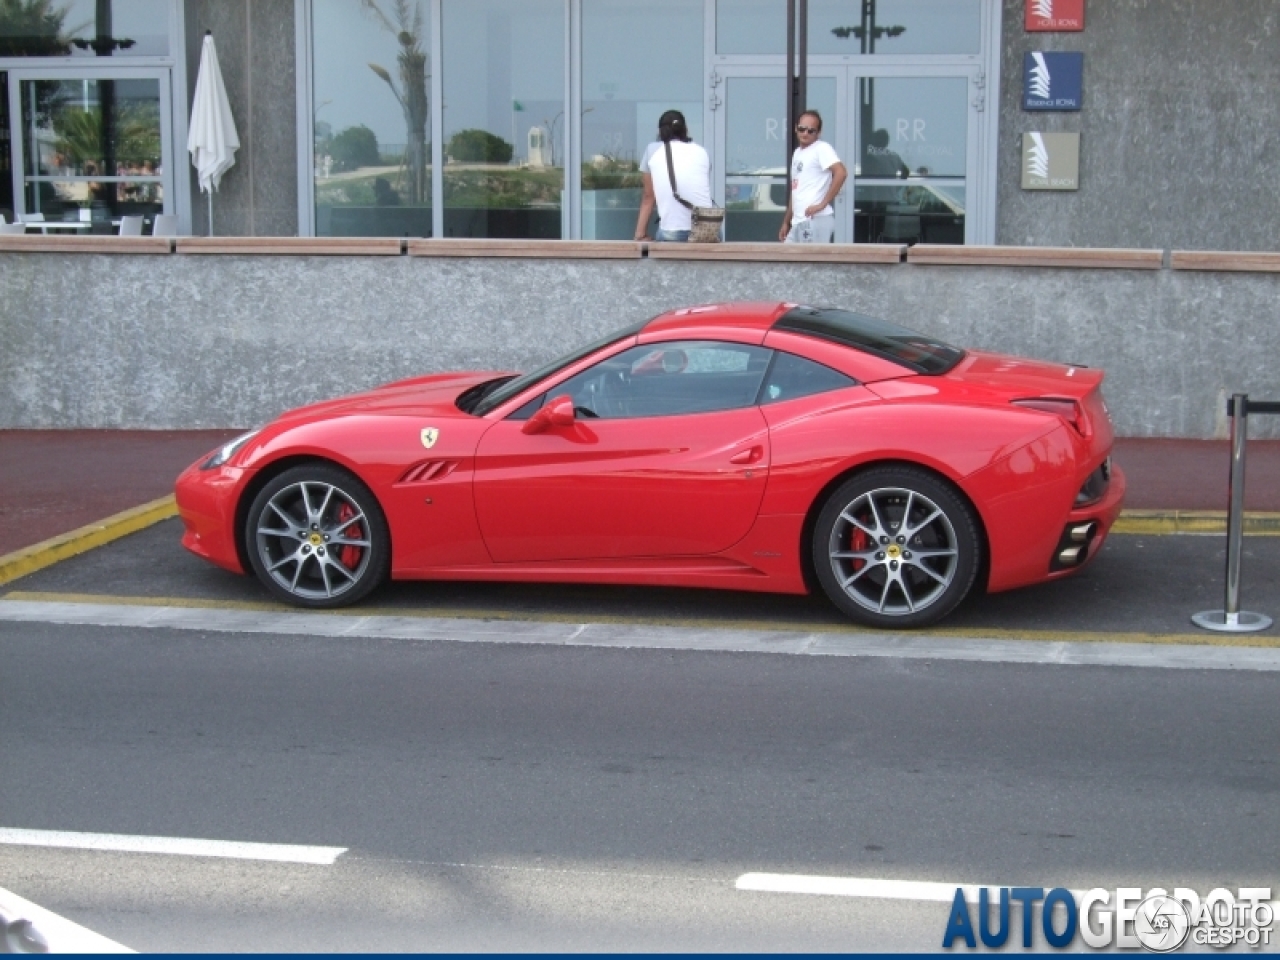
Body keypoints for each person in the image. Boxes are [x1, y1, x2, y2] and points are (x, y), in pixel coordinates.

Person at [634, 110, 712, 242]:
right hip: (708, 230)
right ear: (685, 129)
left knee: (654, 248)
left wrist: (640, 234)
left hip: (674, 233)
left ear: (660, 131)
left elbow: (649, 196)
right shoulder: (702, 152)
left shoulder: (653, 150)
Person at [778, 110, 848, 244]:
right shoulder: (797, 153)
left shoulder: (821, 148)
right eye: (802, 129)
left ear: (819, 133)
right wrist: (786, 222)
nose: (805, 133)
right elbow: (796, 189)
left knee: (811, 263)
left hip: (815, 220)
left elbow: (841, 172)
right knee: (787, 261)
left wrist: (822, 204)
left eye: (811, 131)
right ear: (795, 128)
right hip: (798, 220)